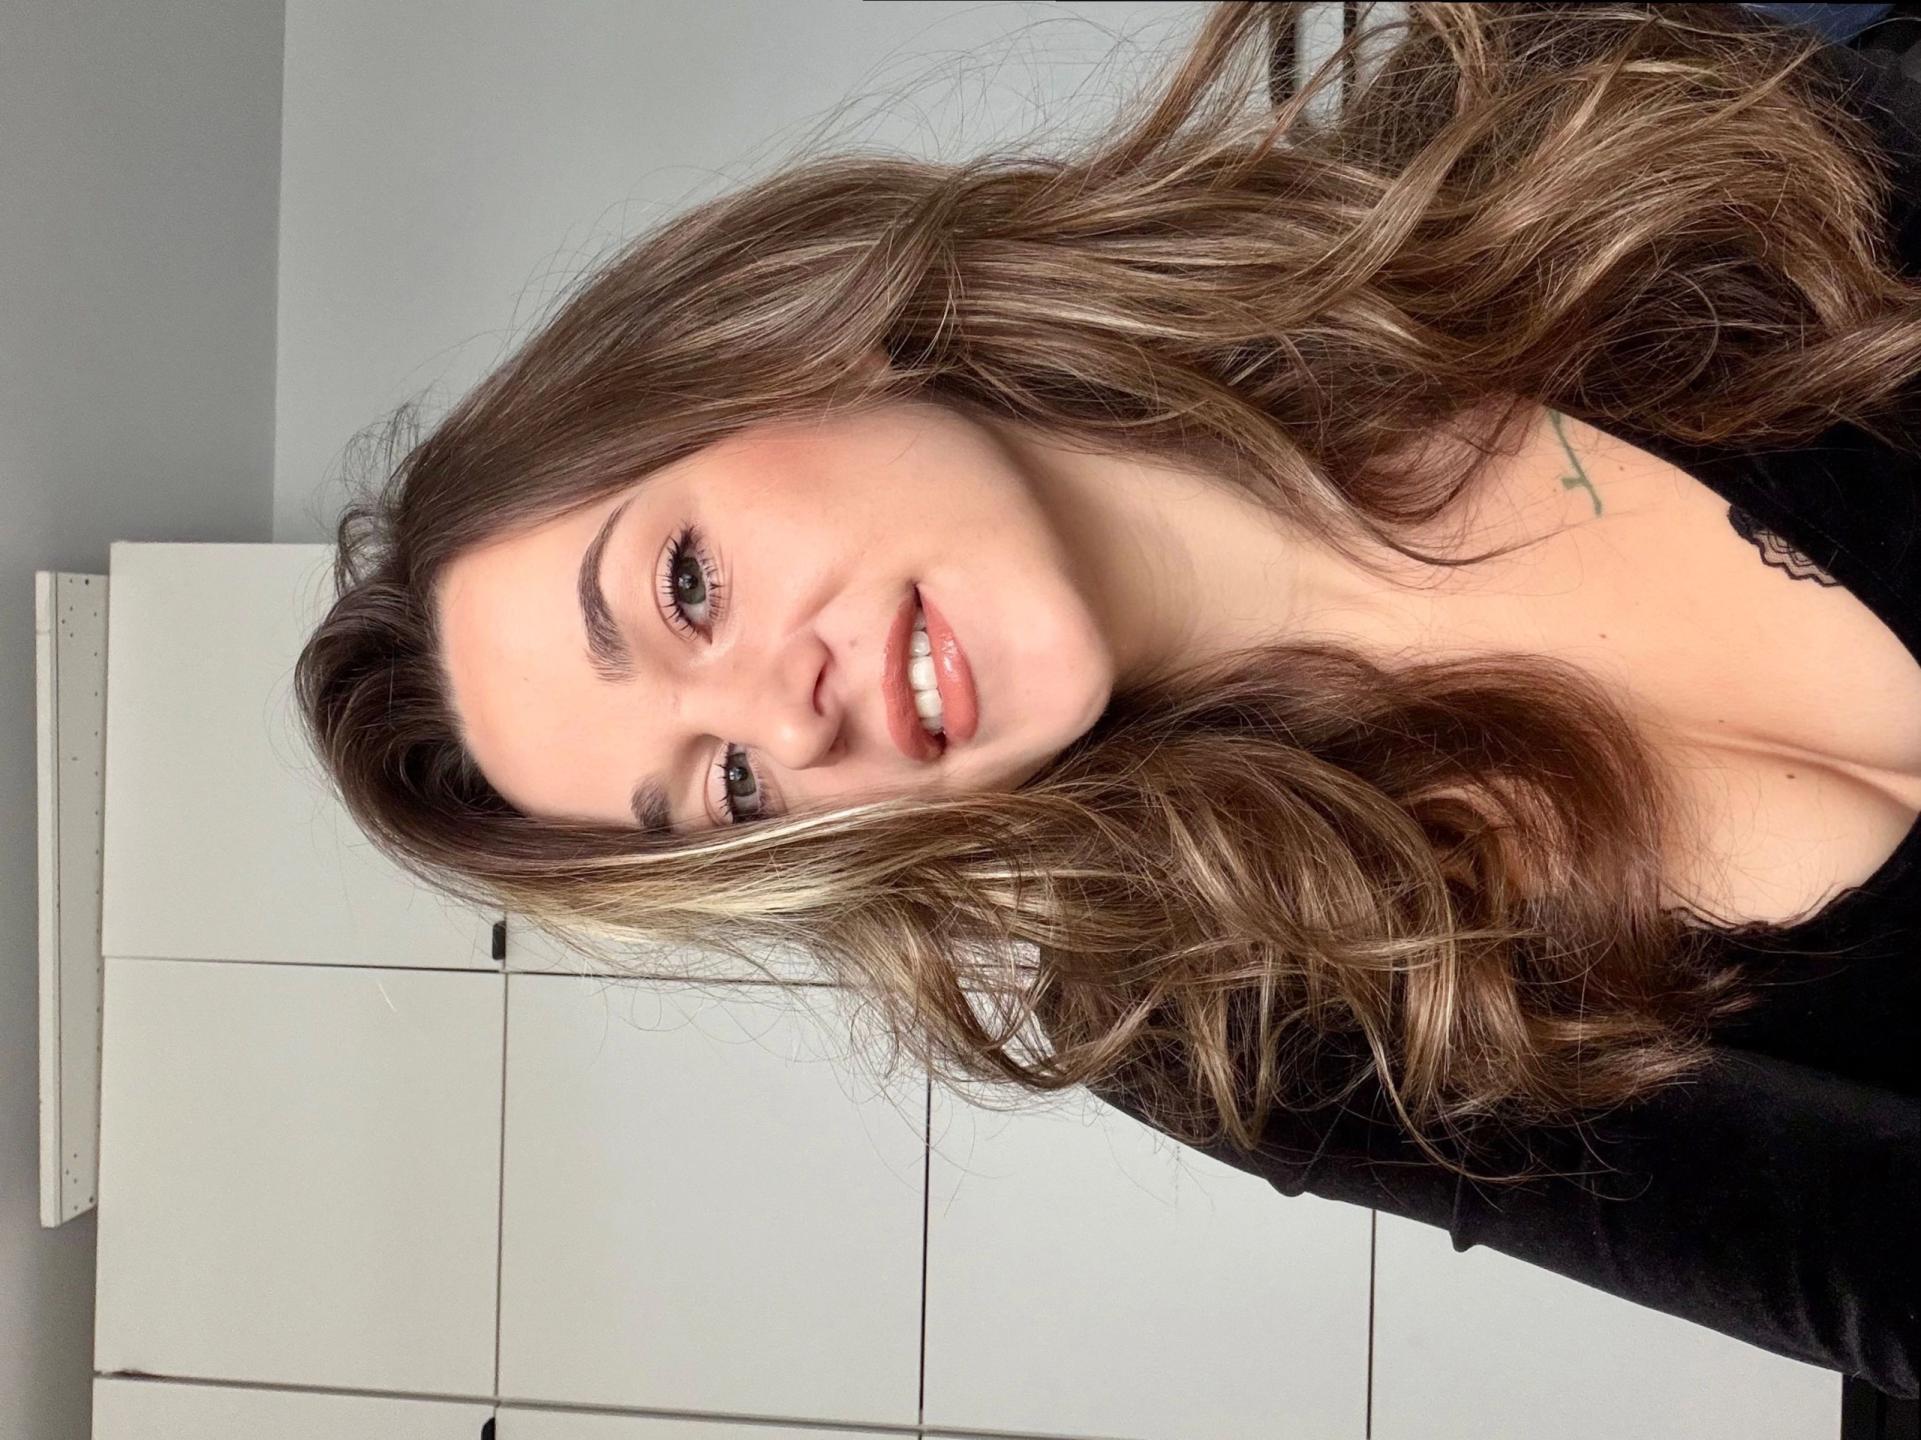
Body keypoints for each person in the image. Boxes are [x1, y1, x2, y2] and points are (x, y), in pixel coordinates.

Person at [293, 3, 1920, 1396]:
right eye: (725, 791)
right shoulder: (1237, 1018)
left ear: (767, 352)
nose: (789, 728)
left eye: (685, 588)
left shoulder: (1563, 151)